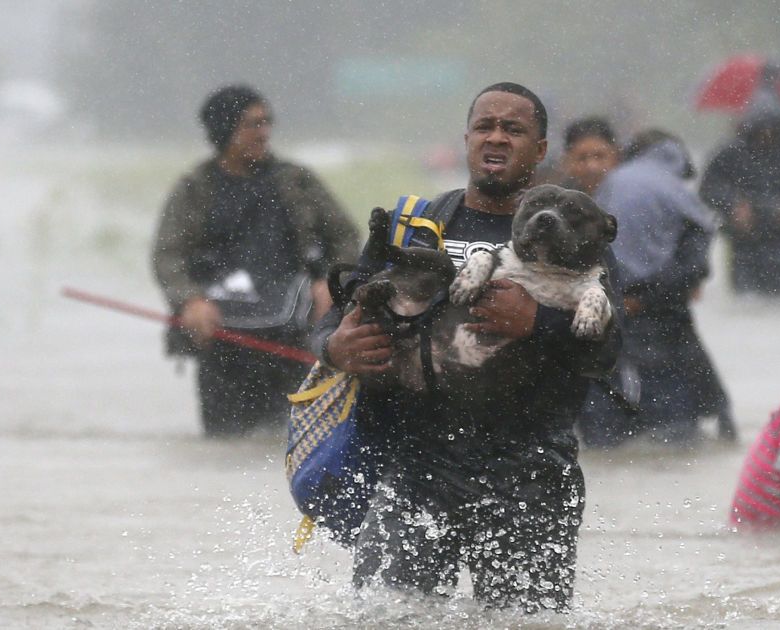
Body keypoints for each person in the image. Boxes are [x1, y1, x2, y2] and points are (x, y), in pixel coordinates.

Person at [313, 82, 621, 612]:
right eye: (485, 126)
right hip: (416, 464)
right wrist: (335, 348)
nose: (496, 138)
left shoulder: (577, 234)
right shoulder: (413, 225)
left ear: (541, 149)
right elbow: (330, 325)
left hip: (532, 470)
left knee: (528, 624)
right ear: (467, 139)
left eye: (514, 129)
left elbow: (611, 352)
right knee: (383, 619)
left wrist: (538, 321)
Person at [152, 85, 360, 437]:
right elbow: (168, 254)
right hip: (223, 342)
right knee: (224, 444)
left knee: (296, 437)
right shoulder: (195, 189)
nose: (263, 133)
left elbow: (345, 237)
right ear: (223, 130)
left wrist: (331, 285)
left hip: (294, 335)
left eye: (266, 123)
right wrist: (189, 300)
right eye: (252, 124)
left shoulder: (297, 181)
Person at [581, 129, 731, 446]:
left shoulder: (606, 189)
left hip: (607, 324)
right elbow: (695, 264)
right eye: (584, 157)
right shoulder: (678, 195)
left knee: (608, 432)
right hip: (659, 326)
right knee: (677, 430)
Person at [699, 108, 780, 297]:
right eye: (761, 130)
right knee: (745, 298)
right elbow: (708, 188)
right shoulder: (730, 155)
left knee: (777, 298)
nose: (765, 136)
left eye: (771, 130)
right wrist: (733, 204)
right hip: (743, 239)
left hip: (779, 238)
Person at [558, 116, 621, 196]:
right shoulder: (558, 203)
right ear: (567, 162)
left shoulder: (632, 198)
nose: (592, 166)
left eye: (599, 156)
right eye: (582, 158)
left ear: (616, 157)